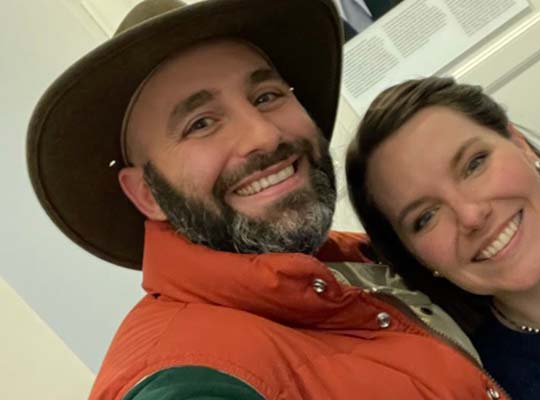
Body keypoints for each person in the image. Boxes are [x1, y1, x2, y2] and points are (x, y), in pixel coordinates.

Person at [27, 1, 508, 399]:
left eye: (266, 96)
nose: (263, 134)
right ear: (147, 193)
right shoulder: (188, 380)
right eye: (201, 124)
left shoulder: (348, 255)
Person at [346, 76, 540, 399]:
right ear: (415, 257)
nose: (470, 216)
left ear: (520, 144)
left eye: (474, 165)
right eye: (425, 217)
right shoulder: (471, 385)